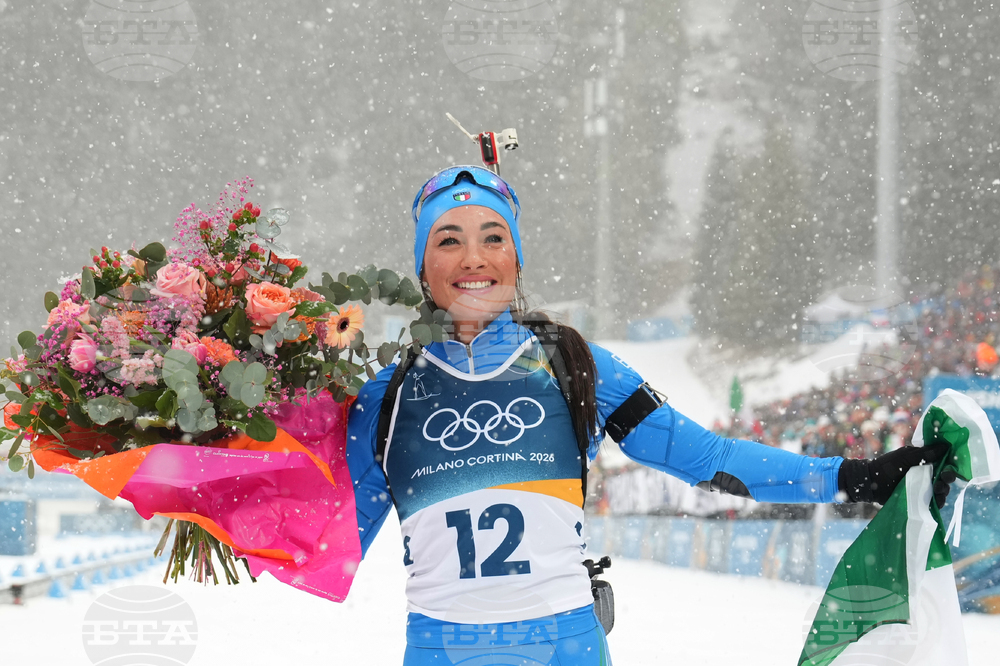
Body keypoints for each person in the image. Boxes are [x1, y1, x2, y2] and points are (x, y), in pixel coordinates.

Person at [344, 165, 951, 666]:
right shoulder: (388, 396)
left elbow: (709, 460)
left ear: (518, 258)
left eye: (493, 236)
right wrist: (255, 408)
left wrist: (849, 477)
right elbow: (323, 530)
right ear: (422, 265)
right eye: (448, 239)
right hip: (440, 648)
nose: (473, 257)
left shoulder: (573, 363)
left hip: (567, 646)